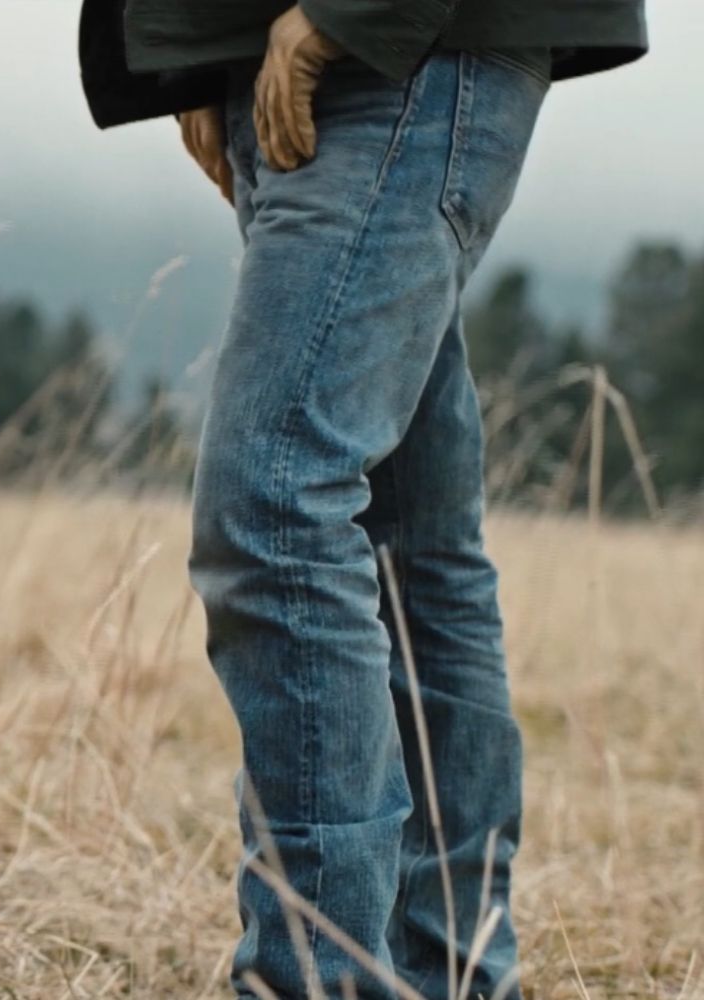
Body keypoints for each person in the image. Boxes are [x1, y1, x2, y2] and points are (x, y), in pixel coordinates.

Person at [77, 2, 645, 997]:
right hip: (303, 51)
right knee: (407, 544)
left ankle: (319, 978)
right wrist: (189, 51)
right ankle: (444, 975)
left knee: (275, 500)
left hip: (388, 46)